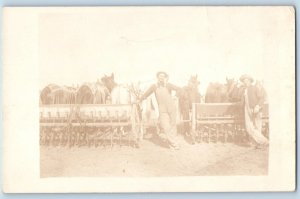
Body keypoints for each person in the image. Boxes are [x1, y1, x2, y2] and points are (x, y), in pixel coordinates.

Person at [138, 71, 181, 149]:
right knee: (166, 127)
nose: (161, 78)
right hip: (162, 110)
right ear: (157, 77)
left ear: (165, 78)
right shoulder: (154, 86)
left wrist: (176, 96)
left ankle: (171, 143)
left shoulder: (168, 85)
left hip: (171, 108)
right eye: (160, 76)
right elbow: (146, 94)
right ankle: (174, 144)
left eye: (163, 76)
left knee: (173, 126)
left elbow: (179, 89)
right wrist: (139, 100)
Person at [240, 74, 269, 148]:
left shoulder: (255, 88)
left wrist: (258, 106)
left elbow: (262, 98)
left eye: (246, 80)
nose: (245, 82)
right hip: (247, 109)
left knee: (257, 126)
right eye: (243, 81)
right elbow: (243, 101)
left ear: (250, 81)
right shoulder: (244, 90)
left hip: (256, 109)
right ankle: (263, 141)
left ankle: (258, 144)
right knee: (249, 127)